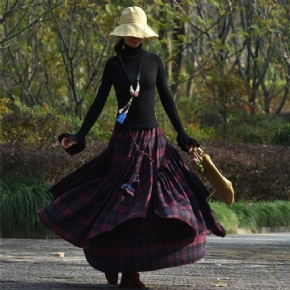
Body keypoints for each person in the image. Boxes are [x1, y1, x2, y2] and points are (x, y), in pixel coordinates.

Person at [38, 6, 225, 289]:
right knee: (123, 206)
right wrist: (80, 135)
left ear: (144, 35)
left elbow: (167, 99)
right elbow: (98, 102)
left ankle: (129, 271)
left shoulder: (154, 61)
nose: (135, 38)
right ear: (122, 35)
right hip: (124, 144)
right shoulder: (113, 65)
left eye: (138, 33)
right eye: (130, 33)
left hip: (154, 142)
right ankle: (117, 265)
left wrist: (183, 135)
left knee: (151, 208)